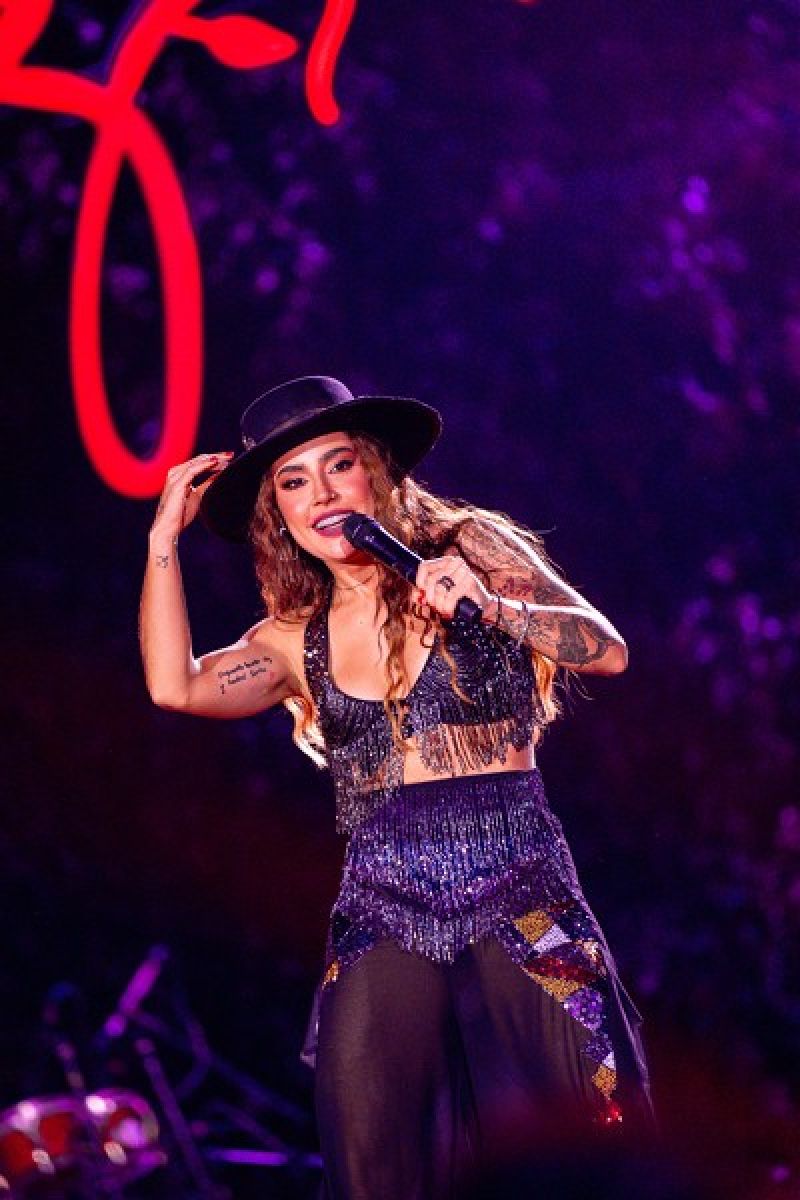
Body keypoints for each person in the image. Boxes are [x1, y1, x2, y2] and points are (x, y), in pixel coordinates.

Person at [139, 375, 655, 1198]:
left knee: (596, 1122)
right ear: (278, 514)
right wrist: (164, 538)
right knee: (368, 1143)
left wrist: (493, 608)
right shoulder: (291, 638)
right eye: (293, 481)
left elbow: (607, 650)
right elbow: (176, 686)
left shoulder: (472, 548)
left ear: (375, 471)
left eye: (338, 465)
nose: (321, 494)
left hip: (520, 877)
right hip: (384, 901)